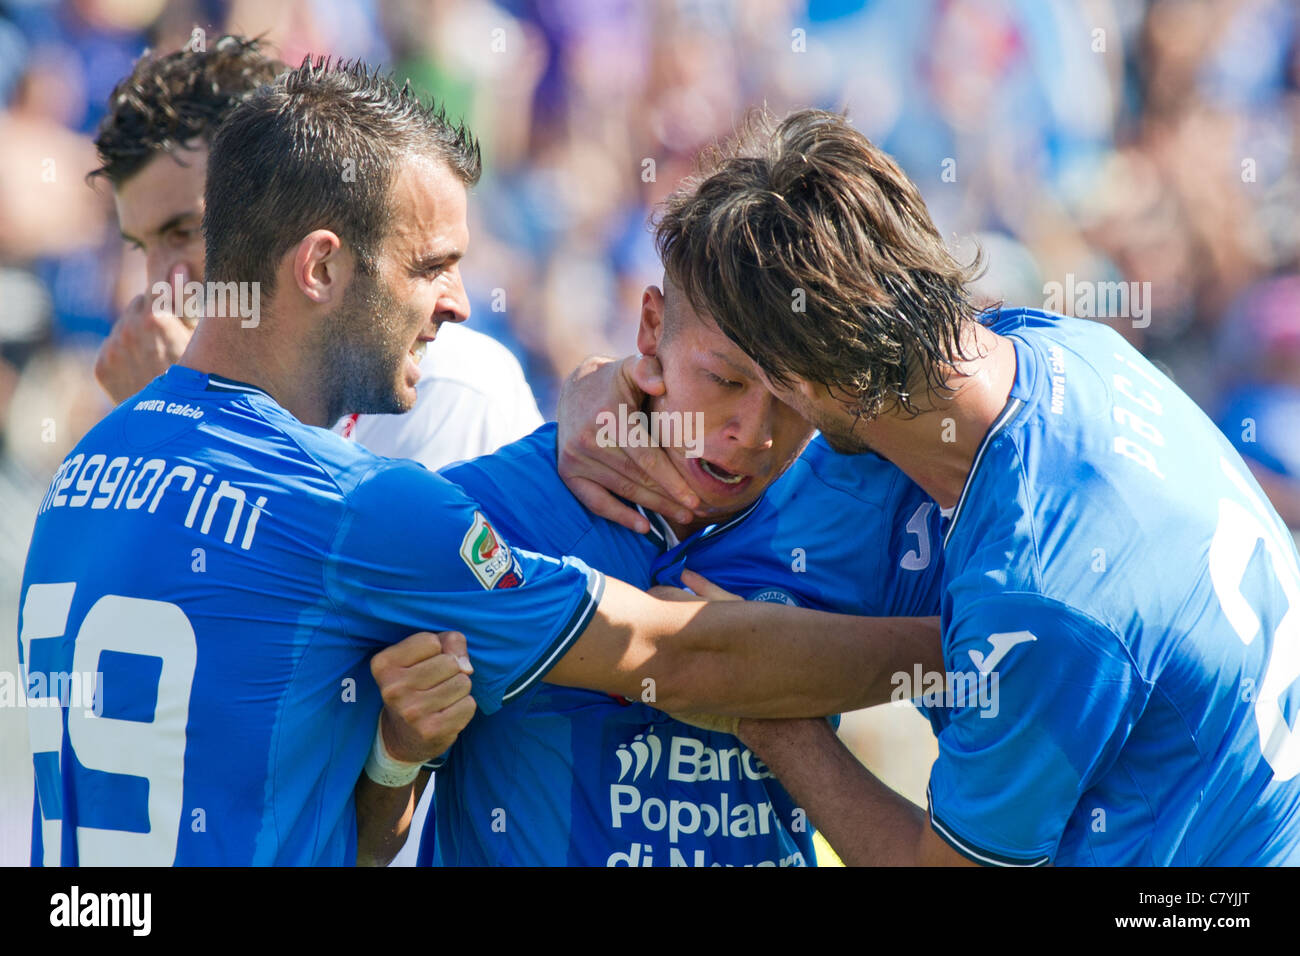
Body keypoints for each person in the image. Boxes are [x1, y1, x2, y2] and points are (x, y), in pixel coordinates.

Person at [18, 63, 938, 866]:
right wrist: (967, 650)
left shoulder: (87, 466)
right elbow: (676, 654)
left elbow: (359, 826)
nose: (459, 302)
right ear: (323, 268)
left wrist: (393, 753)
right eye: (433, 265)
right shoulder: (369, 507)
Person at [560, 108, 1300, 866]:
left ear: (805, 381)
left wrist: (769, 724)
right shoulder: (1064, 349)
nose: (755, 427)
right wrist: (606, 386)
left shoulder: (1041, 593)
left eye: (763, 384)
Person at [369, 277, 942, 866]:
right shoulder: (487, 511)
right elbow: (364, 844)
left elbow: (992, 714)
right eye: (726, 380)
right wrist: (398, 750)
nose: (753, 433)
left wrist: (769, 708)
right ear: (650, 326)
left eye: (794, 395)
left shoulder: (872, 510)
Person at [90, 35, 542, 472]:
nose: (163, 282)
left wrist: (183, 426)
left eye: (186, 230)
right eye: (143, 246)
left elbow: (290, 546)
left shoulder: (448, 386)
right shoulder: (156, 385)